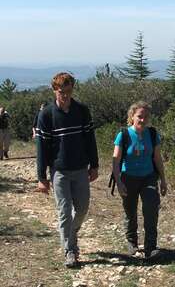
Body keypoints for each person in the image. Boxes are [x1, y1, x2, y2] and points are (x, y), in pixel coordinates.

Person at [35, 72, 99, 268]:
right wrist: (41, 177)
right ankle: (69, 251)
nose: (65, 95)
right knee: (64, 211)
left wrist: (94, 165)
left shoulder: (82, 110)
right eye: (62, 92)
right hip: (59, 170)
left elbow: (90, 139)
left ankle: (71, 233)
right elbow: (41, 148)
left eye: (69, 91)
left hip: (80, 168)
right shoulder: (46, 115)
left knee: (82, 209)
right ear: (55, 90)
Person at [112, 101, 167, 260]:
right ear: (132, 117)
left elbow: (157, 158)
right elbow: (116, 161)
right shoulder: (123, 134)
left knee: (151, 209)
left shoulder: (152, 134)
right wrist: (119, 182)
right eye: (139, 116)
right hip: (128, 177)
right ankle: (132, 242)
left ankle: (151, 247)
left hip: (148, 177)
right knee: (130, 212)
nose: (142, 120)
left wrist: (163, 180)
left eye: (146, 117)